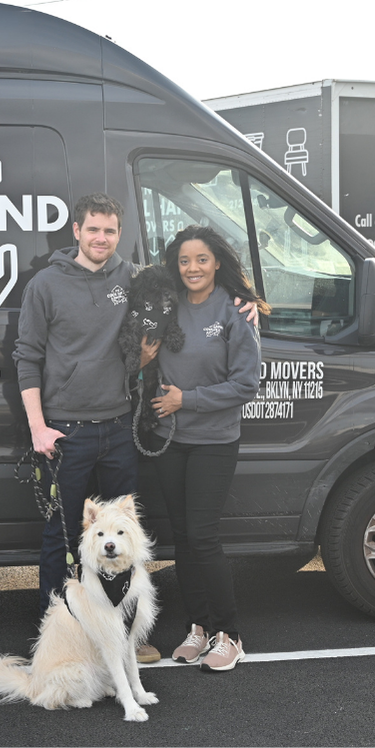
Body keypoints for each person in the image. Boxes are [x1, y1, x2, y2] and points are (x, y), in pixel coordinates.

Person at [12, 193, 162, 663]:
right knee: (62, 539)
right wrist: (38, 428)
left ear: (120, 234)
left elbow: (192, 284)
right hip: (66, 434)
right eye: (93, 229)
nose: (102, 238)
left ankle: (126, 638)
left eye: (110, 231)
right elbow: (27, 357)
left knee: (123, 541)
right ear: (76, 231)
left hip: (119, 428)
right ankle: (58, 642)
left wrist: (244, 301)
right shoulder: (46, 285)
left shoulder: (132, 278)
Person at [147, 224, 269, 672]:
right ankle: (197, 628)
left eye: (201, 259)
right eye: (184, 261)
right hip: (168, 441)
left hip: (214, 442)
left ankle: (230, 634)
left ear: (217, 261)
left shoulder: (237, 311)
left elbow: (246, 384)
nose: (192, 268)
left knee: (203, 536)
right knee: (181, 537)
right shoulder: (166, 305)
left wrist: (187, 400)